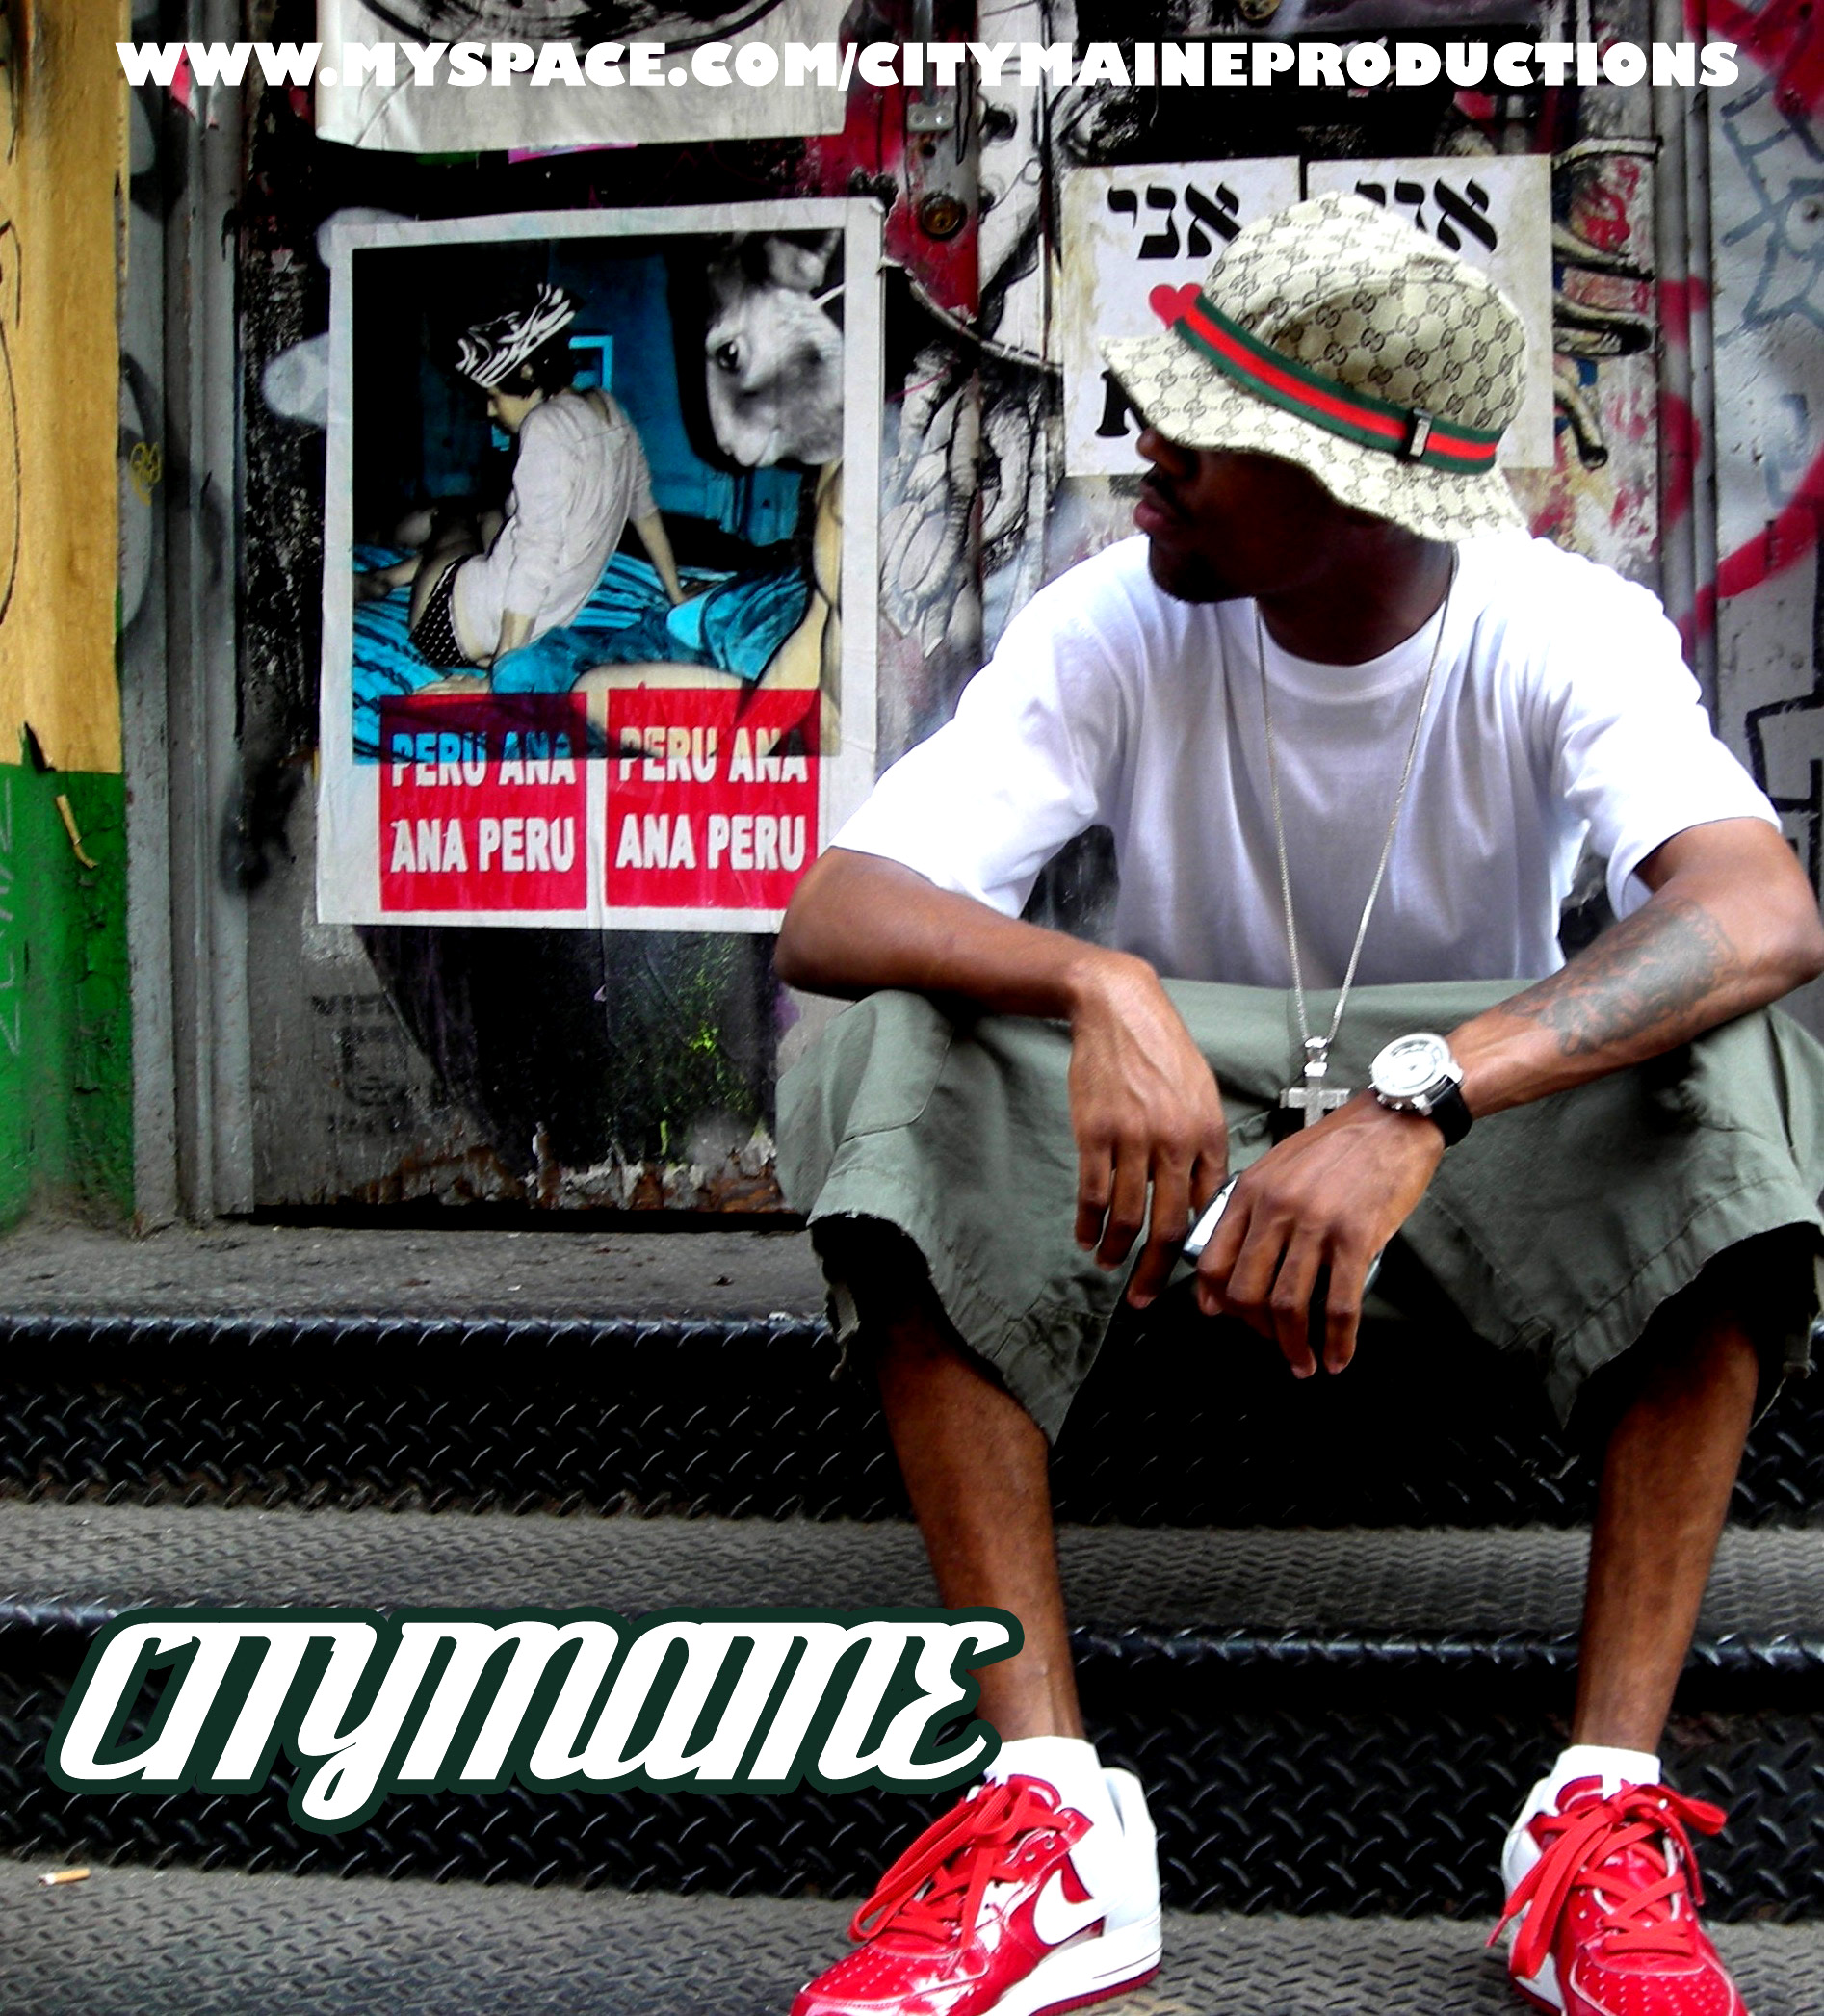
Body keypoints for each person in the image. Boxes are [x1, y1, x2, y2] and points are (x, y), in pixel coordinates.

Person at [771, 192, 1824, 2016]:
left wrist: (1421, 1099)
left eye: (1200, 436)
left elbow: (1757, 911)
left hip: (1456, 1179)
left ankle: (1595, 1813)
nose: (1146, 466)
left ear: (1355, 490)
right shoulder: (1117, 617)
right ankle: (1046, 1818)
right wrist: (1095, 982)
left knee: (1728, 1059)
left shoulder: (1561, 628)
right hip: (1167, 1180)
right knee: (894, 1037)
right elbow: (833, 912)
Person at [360, 283, 688, 689]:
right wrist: (677, 596)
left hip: (443, 622)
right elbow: (645, 512)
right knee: (496, 516)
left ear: (529, 374)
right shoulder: (610, 409)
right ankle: (395, 574)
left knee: (453, 512)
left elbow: (536, 556)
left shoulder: (545, 426)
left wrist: (498, 679)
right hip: (527, 630)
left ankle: (382, 573)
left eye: (493, 396)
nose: (489, 410)